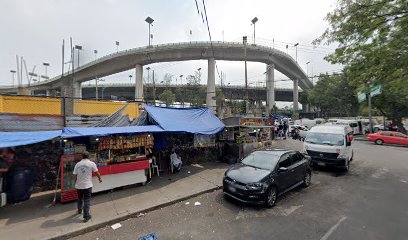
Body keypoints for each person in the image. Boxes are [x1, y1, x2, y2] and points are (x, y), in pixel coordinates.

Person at [73, 151, 102, 222]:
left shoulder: (77, 164)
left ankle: (79, 210)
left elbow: (74, 176)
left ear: (82, 156)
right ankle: (86, 216)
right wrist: (99, 178)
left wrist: (76, 182)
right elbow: (96, 172)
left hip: (79, 185)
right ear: (88, 156)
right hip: (88, 185)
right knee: (87, 200)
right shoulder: (92, 163)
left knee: (79, 198)